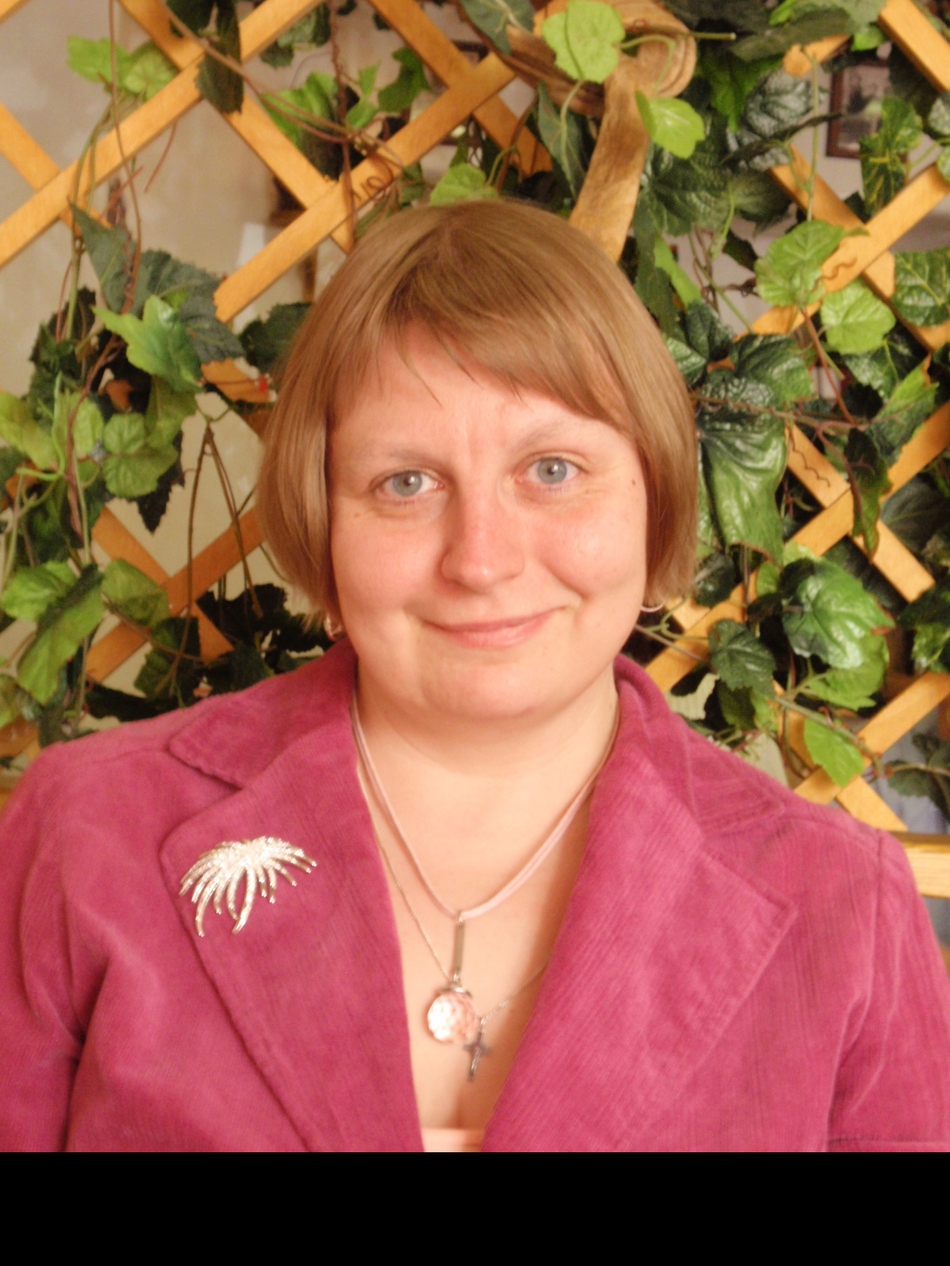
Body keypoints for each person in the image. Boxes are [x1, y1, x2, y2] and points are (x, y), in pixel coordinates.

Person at [1, 199, 948, 1152]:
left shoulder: (845, 911)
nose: (482, 561)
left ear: (653, 493)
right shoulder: (86, 837)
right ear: (324, 521)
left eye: (553, 470)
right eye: (405, 483)